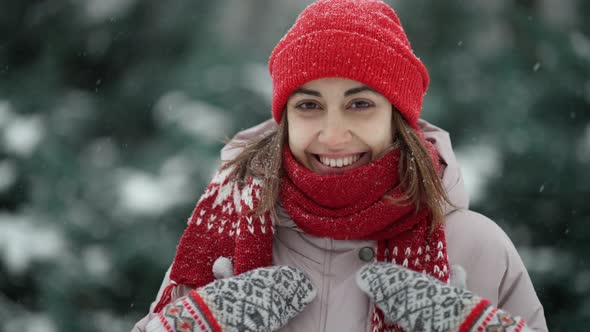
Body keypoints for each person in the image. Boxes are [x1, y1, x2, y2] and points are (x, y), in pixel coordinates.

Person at [132, 0, 548, 331]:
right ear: (286, 120)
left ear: (397, 118)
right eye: (309, 105)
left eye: (360, 104)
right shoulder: (226, 232)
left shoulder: (477, 247)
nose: (333, 135)